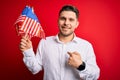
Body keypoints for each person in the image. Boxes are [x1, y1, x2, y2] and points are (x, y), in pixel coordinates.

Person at [19, 5, 100, 80]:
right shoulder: (44, 42)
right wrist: (28, 51)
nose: (66, 23)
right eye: (63, 18)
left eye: (71, 20)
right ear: (58, 21)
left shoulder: (86, 46)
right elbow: (35, 69)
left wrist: (81, 65)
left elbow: (95, 76)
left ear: (76, 24)